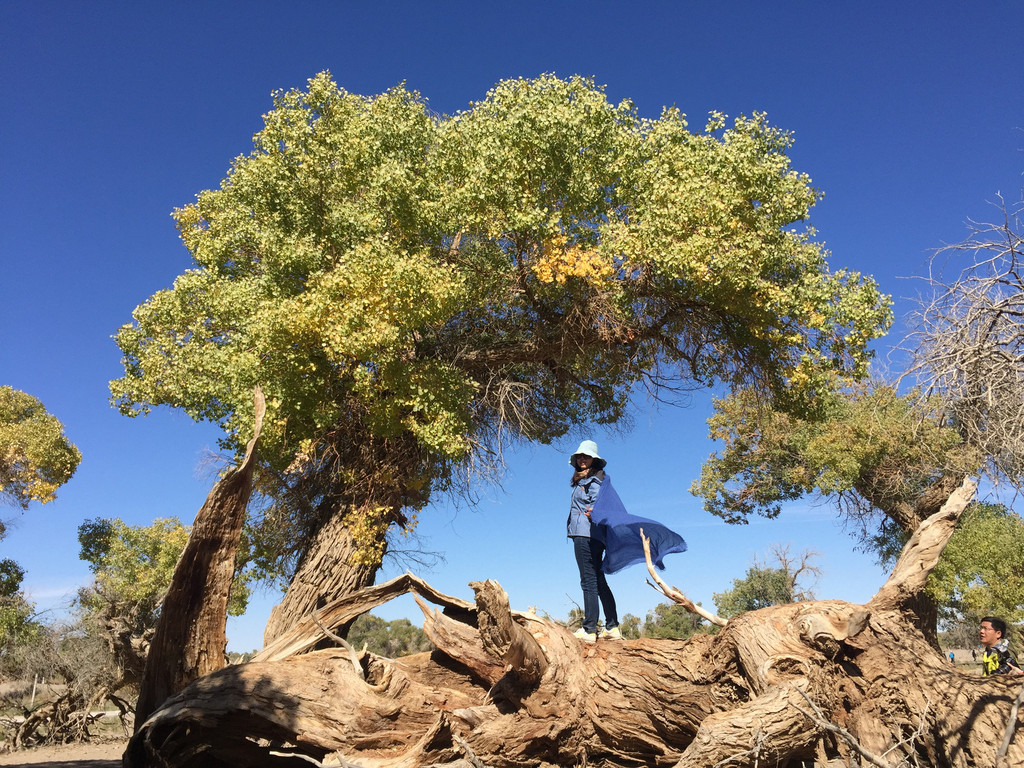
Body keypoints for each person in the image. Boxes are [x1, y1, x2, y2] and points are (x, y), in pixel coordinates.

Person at [566, 440, 619, 644]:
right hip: (596, 536)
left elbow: (601, 502)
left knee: (587, 580)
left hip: (584, 534)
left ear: (594, 460)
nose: (582, 459)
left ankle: (589, 630)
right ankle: (612, 626)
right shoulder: (597, 478)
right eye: (579, 456)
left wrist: (596, 511)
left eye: (586, 456)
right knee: (598, 580)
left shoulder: (594, 480)